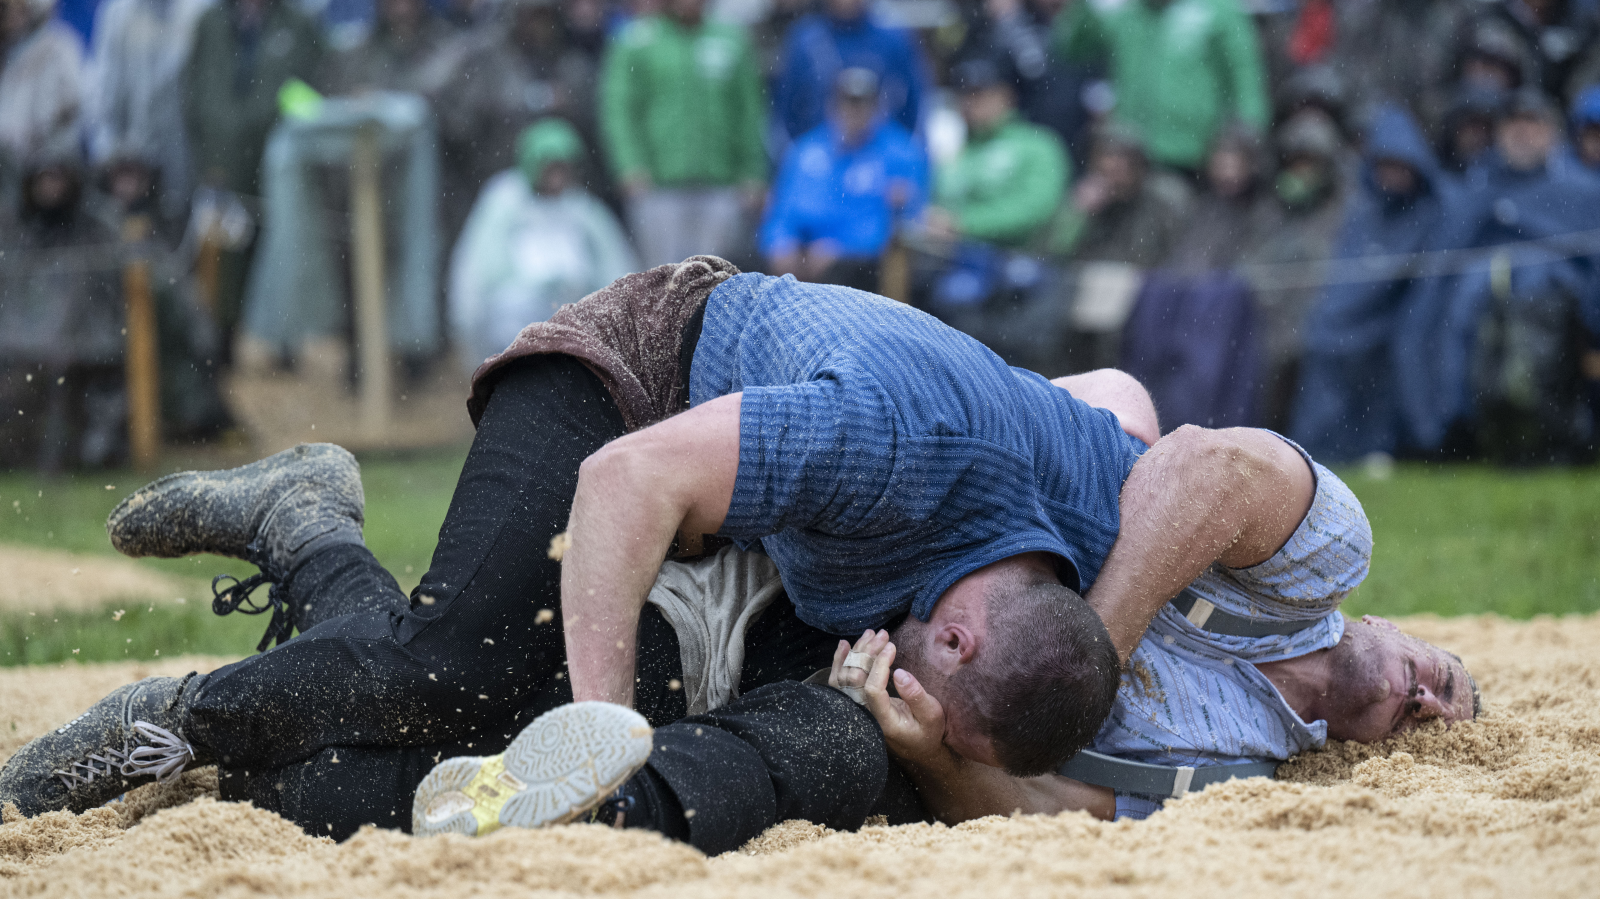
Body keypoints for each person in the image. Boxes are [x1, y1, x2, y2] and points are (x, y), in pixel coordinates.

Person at [0, 254, 1316, 844]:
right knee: (459, 666)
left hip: (747, 490)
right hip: (640, 385)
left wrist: (1355, 655)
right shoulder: (888, 444)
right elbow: (627, 481)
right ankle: (176, 718)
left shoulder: (1085, 523)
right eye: (933, 689)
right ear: (960, 627)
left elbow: (1125, 404)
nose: (909, 692)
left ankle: (306, 524)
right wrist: (598, 729)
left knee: (491, 700)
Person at [1292, 106, 1459, 463]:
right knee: (1324, 338)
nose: (1392, 175)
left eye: (1400, 166)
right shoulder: (1365, 212)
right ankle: (1320, 448)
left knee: (1379, 349)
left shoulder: (1434, 210)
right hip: (1354, 314)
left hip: (1400, 312)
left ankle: (1377, 445)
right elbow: (1346, 276)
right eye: (1385, 166)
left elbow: (1419, 275)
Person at [182, 0, 324, 344]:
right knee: (222, 266)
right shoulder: (210, 22)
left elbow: (314, 92)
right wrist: (206, 159)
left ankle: (282, 345)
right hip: (221, 167)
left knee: (280, 258)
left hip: (280, 168)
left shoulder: (298, 25)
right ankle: (221, 345)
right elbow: (191, 94)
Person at [450, 119, 638, 374]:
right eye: (552, 169)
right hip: (513, 319)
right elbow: (474, 270)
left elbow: (615, 265)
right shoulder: (504, 203)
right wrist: (467, 325)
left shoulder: (582, 208)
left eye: (564, 169)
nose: (558, 180)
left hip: (574, 316)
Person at [599, 0, 767, 266]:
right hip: (658, 185)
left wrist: (752, 171)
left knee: (716, 280)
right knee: (661, 282)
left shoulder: (731, 39)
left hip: (721, 185)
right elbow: (619, 110)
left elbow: (749, 111)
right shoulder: (637, 40)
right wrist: (629, 166)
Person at [0, 142, 126, 471]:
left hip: (86, 344)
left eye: (57, 179)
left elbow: (110, 299)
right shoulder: (15, 230)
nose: (50, 188)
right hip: (20, 344)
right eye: (44, 179)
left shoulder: (97, 229)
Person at [430, 0, 599, 244]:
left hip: (560, 189)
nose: (540, 25)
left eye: (546, 16)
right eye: (532, 16)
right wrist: (518, 105)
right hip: (496, 181)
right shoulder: (484, 55)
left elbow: (588, 115)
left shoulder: (570, 61)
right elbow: (454, 117)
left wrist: (566, 103)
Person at [1050, 0, 1268, 174]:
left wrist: (1247, 137)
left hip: (1198, 153)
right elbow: (1072, 48)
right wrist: (1086, 6)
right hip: (1130, 152)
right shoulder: (1124, 11)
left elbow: (1245, 77)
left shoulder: (1216, 10)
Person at [761, 67, 927, 291]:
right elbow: (782, 211)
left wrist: (841, 247)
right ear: (832, 104)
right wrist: (780, 242)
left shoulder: (901, 153)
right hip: (805, 248)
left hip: (861, 258)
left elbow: (902, 221)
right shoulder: (806, 151)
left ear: (877, 107)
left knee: (847, 271)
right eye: (848, 102)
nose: (854, 111)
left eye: (862, 103)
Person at [1239, 114, 1350, 432]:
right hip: (1270, 316)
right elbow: (1249, 264)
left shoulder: (1342, 209)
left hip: (1319, 315)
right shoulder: (1268, 210)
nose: (1301, 172)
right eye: (1295, 162)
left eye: (1310, 163)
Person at [85, 0, 210, 224]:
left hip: (185, 159)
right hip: (134, 162)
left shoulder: (200, 10)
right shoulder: (118, 12)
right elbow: (105, 89)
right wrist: (109, 151)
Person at [925, 57, 1067, 251]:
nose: (969, 102)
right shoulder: (953, 145)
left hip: (1011, 259)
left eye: (978, 93)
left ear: (1006, 96)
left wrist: (963, 223)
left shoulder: (1038, 145)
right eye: (964, 93)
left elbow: (1035, 209)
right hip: (942, 254)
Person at [769, 0, 926, 146]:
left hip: (884, 165)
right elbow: (785, 115)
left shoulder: (894, 40)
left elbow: (915, 111)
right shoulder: (805, 41)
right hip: (820, 165)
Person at [1049, 125, 1191, 269]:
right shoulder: (1082, 200)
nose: (1112, 177)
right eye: (1103, 168)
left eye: (1121, 163)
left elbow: (1179, 257)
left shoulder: (1162, 200)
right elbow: (1051, 252)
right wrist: (1077, 215)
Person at [0, 0, 84, 167]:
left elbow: (71, 107)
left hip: (44, 163)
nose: (9, 16)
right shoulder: (7, 49)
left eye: (19, 9)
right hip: (6, 162)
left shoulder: (60, 45)